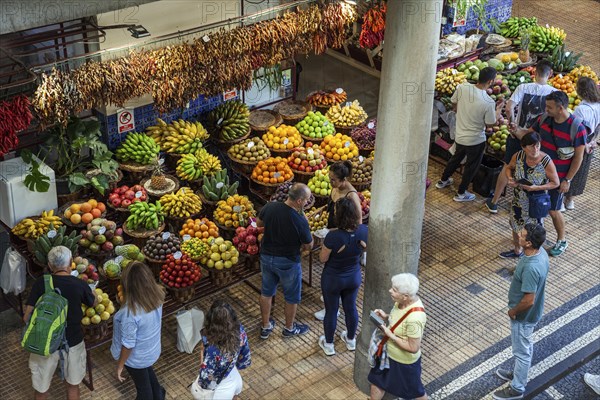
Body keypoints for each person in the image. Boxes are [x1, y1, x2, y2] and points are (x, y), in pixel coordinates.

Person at [23, 246, 96, 400]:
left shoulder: (41, 283)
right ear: (70, 263)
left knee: (41, 389)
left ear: (50, 266)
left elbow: (26, 317)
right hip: (73, 342)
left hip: (43, 344)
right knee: (73, 385)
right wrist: (92, 290)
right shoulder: (79, 284)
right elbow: (93, 303)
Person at [486, 60, 557, 213]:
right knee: (536, 169)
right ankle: (527, 205)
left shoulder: (523, 87)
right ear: (550, 73)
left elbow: (509, 106)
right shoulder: (554, 93)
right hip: (537, 141)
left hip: (518, 136)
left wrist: (512, 124)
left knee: (508, 166)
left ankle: (494, 202)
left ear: (535, 72)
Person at [527, 90, 587, 256]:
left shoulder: (577, 128)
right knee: (536, 203)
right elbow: (529, 135)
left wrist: (567, 180)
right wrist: (515, 130)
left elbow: (578, 158)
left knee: (554, 210)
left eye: (550, 107)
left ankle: (562, 240)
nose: (546, 109)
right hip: (539, 172)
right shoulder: (544, 119)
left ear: (561, 108)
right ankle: (536, 235)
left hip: (558, 177)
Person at [493, 223, 549, 400]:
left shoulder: (532, 267)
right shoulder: (541, 253)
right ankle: (519, 373)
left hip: (523, 316)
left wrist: (513, 312)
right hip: (530, 315)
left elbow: (528, 300)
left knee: (522, 351)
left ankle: (517, 388)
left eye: (523, 235)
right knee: (524, 347)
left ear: (529, 243)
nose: (519, 235)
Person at [436, 67, 505, 201]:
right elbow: (490, 124)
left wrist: (460, 111)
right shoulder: (488, 102)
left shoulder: (462, 88)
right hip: (475, 140)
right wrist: (498, 110)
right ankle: (461, 193)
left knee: (455, 159)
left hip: (460, 135)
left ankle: (443, 180)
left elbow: (454, 104)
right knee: (471, 167)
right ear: (490, 81)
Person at [257, 182, 313, 339]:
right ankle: (289, 328)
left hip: (267, 258)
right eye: (307, 199)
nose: (308, 202)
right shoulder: (300, 220)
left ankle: (265, 326)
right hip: (288, 262)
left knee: (266, 292)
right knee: (291, 296)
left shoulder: (271, 206)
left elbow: (259, 223)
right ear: (299, 201)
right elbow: (309, 245)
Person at [317, 197, 368, 356]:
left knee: (331, 310)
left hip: (333, 278)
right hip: (353, 276)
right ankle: (351, 340)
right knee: (351, 307)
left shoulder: (333, 237)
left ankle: (329, 344)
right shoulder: (364, 231)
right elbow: (365, 250)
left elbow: (322, 258)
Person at [313, 160, 363, 322]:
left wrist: (332, 232)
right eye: (330, 178)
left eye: (333, 179)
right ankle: (331, 303)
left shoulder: (351, 195)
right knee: (330, 267)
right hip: (333, 229)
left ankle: (332, 309)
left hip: (342, 236)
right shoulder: (335, 189)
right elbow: (330, 207)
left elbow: (358, 222)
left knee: (334, 270)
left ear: (344, 180)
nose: (330, 182)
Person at [499, 132, 559, 259]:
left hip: (535, 203)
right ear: (523, 147)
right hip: (518, 200)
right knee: (515, 225)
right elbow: (509, 168)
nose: (535, 149)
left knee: (532, 233)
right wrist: (510, 179)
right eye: (531, 146)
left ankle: (531, 258)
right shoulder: (518, 156)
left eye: (537, 146)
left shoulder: (545, 161)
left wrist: (537, 187)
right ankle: (517, 250)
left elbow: (555, 183)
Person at [111, 262, 166, 400]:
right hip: (151, 351)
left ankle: (156, 395)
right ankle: (159, 395)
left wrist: (120, 365)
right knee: (147, 373)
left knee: (144, 392)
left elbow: (128, 344)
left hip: (136, 358)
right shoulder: (157, 296)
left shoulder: (131, 313)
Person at [368, 273, 427, 400]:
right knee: (377, 381)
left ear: (405, 296)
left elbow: (413, 347)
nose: (390, 291)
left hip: (404, 363)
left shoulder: (415, 318)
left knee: (416, 392)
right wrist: (386, 316)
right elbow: (400, 319)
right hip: (388, 355)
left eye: (394, 290)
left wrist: (391, 335)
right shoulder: (400, 303)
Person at [192, 300, 251, 400]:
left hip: (220, 391)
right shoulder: (239, 330)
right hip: (234, 377)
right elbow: (244, 356)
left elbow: (206, 376)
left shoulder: (212, 348)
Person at [564, 77, 600, 210]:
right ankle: (570, 201)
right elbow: (598, 127)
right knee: (582, 171)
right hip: (591, 141)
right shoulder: (598, 105)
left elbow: (577, 129)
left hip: (580, 142)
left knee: (571, 169)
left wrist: (584, 144)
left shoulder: (581, 109)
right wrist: (593, 142)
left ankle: (563, 197)